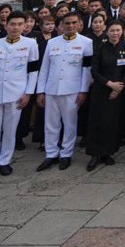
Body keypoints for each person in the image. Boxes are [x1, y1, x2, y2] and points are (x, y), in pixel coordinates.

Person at [0, 11, 40, 180]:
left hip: (16, 94)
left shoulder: (31, 44)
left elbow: (33, 72)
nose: (16, 27)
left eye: (20, 24)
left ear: (25, 26)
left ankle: (4, 161)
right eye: (13, 24)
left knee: (10, 130)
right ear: (6, 25)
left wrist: (28, 94)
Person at [35, 12, 93, 171]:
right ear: (61, 25)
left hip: (72, 90)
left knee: (70, 124)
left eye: (74, 22)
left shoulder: (87, 43)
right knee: (51, 124)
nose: (71, 26)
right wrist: (40, 91)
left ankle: (66, 154)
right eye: (67, 23)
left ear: (80, 24)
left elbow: (86, 70)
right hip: (52, 89)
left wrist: (83, 91)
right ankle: (51, 154)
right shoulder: (52, 42)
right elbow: (44, 68)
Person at [86, 21, 125, 171]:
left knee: (112, 123)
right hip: (101, 89)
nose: (115, 33)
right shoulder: (100, 48)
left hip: (118, 91)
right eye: (112, 30)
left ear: (122, 32)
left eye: (118, 30)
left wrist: (118, 88)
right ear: (107, 31)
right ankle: (95, 154)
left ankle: (107, 153)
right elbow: (94, 71)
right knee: (97, 122)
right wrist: (110, 84)